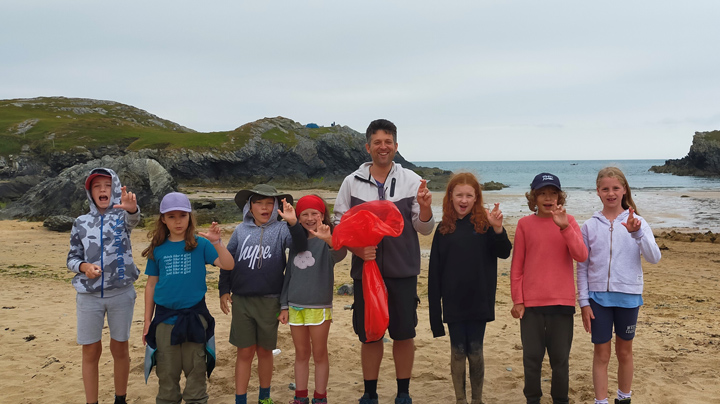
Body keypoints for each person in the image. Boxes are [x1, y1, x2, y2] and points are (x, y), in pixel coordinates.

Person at [333, 119, 434, 404]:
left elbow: (424, 228)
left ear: (396, 146)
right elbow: (340, 228)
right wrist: (357, 250)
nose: (383, 147)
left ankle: (403, 392)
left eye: (388, 142)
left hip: (403, 271)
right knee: (370, 335)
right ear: (368, 147)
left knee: (403, 334)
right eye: (377, 142)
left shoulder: (412, 181)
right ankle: (370, 393)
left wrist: (425, 209)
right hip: (365, 273)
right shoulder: (351, 183)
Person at [577, 167, 662, 404]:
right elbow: (582, 266)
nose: (611, 193)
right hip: (598, 299)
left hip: (628, 297)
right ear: (598, 192)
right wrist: (583, 302)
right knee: (601, 354)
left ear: (624, 190)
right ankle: (601, 401)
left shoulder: (638, 222)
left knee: (624, 352)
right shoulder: (589, 226)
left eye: (616, 188)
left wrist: (637, 235)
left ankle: (624, 398)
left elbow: (654, 257)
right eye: (605, 189)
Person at [142, 192, 235, 404]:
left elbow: (229, 265)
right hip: (165, 321)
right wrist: (148, 320)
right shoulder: (158, 248)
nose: (177, 221)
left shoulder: (201, 245)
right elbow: (151, 285)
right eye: (171, 216)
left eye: (182, 216)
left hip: (195, 318)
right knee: (166, 372)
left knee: (196, 371)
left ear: (190, 217)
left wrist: (217, 242)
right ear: (163, 219)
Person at [428, 173, 512, 404]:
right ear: (450, 197)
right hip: (453, 301)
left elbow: (504, 252)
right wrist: (435, 315)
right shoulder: (444, 229)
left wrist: (498, 229)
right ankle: (460, 400)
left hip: (479, 299)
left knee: (475, 350)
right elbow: (434, 273)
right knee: (457, 351)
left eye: (469, 195)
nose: (463, 200)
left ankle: (477, 400)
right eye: (459, 195)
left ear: (476, 198)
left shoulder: (485, 226)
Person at [219, 184, 307, 404]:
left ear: (276, 206)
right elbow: (227, 261)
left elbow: (301, 245)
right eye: (259, 202)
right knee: (245, 352)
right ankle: (240, 399)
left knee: (265, 351)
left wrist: (293, 222)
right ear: (250, 207)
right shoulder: (240, 231)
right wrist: (223, 290)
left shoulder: (282, 229)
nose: (265, 207)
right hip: (241, 300)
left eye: (270, 203)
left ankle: (264, 397)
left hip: (270, 301)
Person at [510, 172, 588, 404]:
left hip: (562, 303)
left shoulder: (569, 221)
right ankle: (532, 398)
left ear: (559, 197)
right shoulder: (524, 224)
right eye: (542, 193)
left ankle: (560, 400)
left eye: (552, 193)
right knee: (531, 357)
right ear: (533, 198)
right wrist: (518, 300)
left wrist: (564, 228)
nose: (547, 198)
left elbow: (581, 255)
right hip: (532, 305)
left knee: (560, 359)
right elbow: (517, 266)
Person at [66, 167, 141, 404]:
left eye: (107, 185)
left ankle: (121, 399)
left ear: (115, 188)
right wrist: (83, 267)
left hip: (122, 294)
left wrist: (132, 208)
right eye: (97, 186)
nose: (102, 190)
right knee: (90, 350)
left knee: (120, 348)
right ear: (90, 191)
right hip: (88, 296)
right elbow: (71, 258)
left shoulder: (122, 216)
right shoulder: (80, 222)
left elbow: (135, 218)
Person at [278, 195, 347, 404]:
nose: (309, 218)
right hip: (295, 306)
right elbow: (288, 275)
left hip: (319, 306)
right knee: (300, 353)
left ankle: (320, 397)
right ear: (298, 218)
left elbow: (340, 253)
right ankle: (300, 396)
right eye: (304, 214)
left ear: (322, 215)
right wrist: (284, 305)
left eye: (314, 214)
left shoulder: (327, 240)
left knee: (319, 354)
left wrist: (328, 238)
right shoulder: (295, 241)